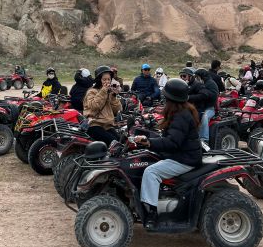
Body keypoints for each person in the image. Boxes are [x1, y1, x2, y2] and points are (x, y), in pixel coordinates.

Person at [135, 79, 202, 229]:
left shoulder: (181, 116)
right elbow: (170, 138)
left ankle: (151, 213)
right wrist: (150, 139)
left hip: (184, 159)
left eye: (166, 97)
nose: (164, 100)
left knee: (151, 172)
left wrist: (149, 143)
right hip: (182, 154)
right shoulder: (181, 112)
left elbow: (172, 143)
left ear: (172, 99)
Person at [83, 65, 121, 144]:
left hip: (107, 125)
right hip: (94, 124)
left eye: (109, 79)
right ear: (98, 80)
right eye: (104, 79)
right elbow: (94, 106)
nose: (107, 81)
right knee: (113, 142)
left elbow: (117, 110)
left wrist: (114, 96)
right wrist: (103, 91)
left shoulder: (109, 93)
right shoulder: (91, 91)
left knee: (121, 141)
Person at [188, 68, 219, 143]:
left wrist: (204, 95)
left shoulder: (210, 83)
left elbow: (213, 96)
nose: (196, 79)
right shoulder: (198, 84)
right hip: (200, 107)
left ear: (202, 76)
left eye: (197, 77)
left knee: (204, 117)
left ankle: (204, 140)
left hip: (210, 108)